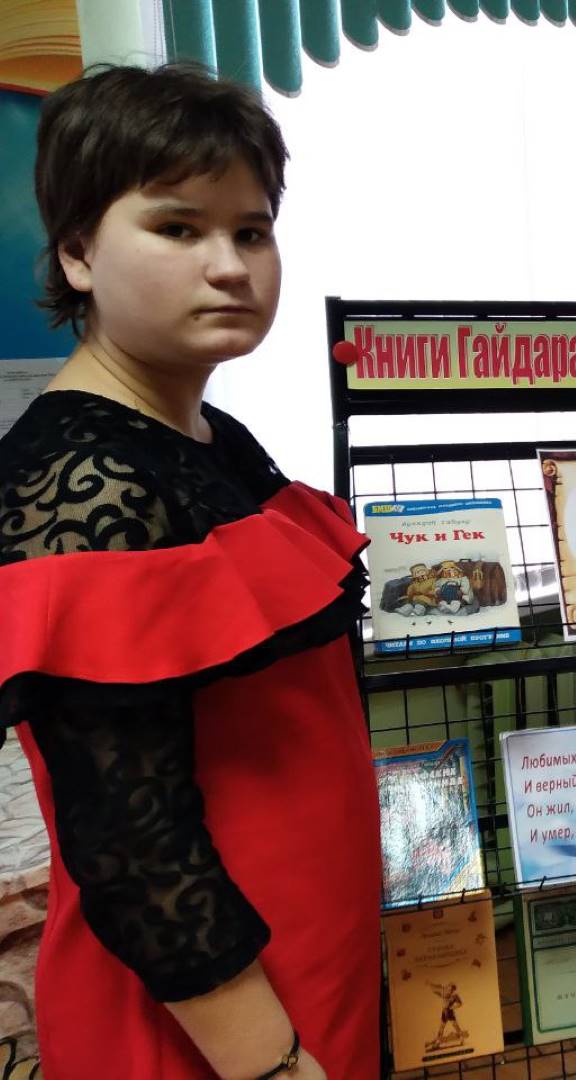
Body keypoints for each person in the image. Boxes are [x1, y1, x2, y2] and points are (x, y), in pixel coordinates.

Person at [0, 64, 380, 1078]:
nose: (230, 266)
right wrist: (270, 1063)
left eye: (251, 231)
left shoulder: (216, 438)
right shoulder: (78, 483)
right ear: (79, 252)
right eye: (178, 228)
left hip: (309, 964)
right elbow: (134, 846)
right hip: (213, 1028)